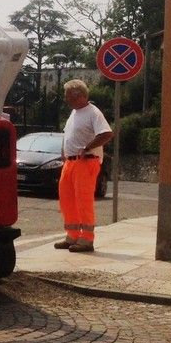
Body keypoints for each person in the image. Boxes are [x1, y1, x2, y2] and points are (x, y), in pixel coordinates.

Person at [54, 79, 114, 252]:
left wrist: (87, 148)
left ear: (79, 95)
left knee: (83, 200)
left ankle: (87, 239)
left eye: (68, 95)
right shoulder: (74, 113)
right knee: (67, 200)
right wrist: (64, 152)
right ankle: (72, 236)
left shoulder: (93, 112)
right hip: (71, 162)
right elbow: (68, 135)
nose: (65, 99)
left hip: (86, 161)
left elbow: (106, 133)